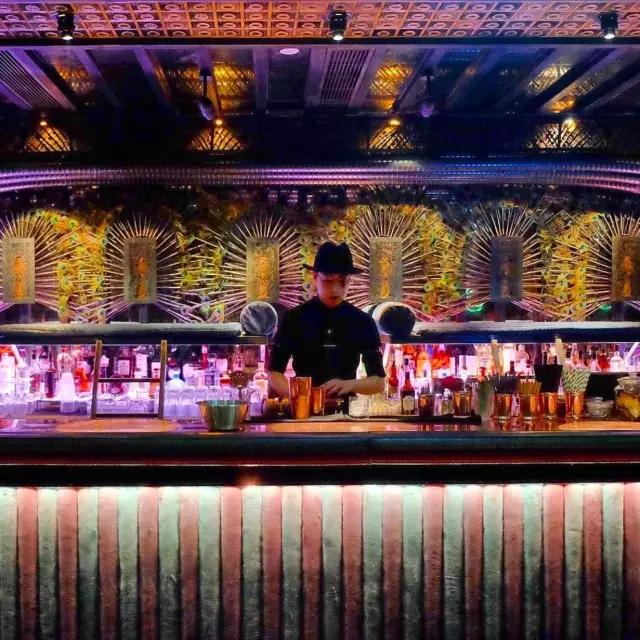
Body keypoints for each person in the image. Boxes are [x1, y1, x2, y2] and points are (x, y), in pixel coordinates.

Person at [268, 242, 386, 398]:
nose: (335, 289)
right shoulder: (294, 318)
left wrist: (349, 384)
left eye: (342, 281)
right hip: (303, 407)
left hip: (345, 408)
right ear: (315, 277)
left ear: (350, 280)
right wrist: (299, 396)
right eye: (328, 281)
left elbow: (378, 382)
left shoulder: (362, 321)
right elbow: (274, 373)